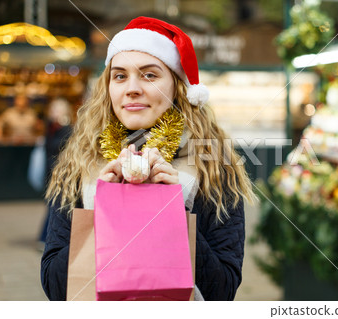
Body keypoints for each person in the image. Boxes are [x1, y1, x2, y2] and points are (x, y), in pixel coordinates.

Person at [41, 17, 255, 301]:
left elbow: (222, 291)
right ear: (108, 87)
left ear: (177, 86)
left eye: (149, 75)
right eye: (119, 76)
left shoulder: (213, 167)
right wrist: (102, 211)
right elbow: (55, 289)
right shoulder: (80, 163)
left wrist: (173, 212)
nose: (132, 88)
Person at [38, 98, 73, 245]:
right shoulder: (51, 127)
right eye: (53, 109)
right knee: (53, 205)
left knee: (55, 205)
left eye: (58, 109)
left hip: (60, 173)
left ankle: (44, 238)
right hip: (50, 172)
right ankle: (45, 238)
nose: (54, 112)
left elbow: (60, 147)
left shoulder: (66, 129)